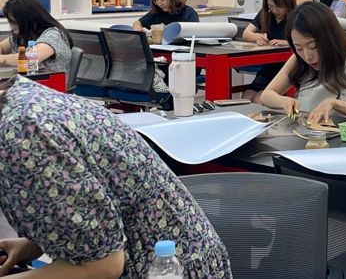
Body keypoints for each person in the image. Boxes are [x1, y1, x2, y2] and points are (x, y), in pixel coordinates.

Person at [0, 75, 232, 278]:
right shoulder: (20, 98)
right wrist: (32, 244)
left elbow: (103, 266)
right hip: (166, 254)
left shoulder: (20, 137)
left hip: (165, 268)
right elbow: (82, 203)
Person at [261, 0, 346, 124]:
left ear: (330, 37)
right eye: (299, 48)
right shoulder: (298, 60)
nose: (307, 56)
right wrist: (284, 101)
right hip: (305, 134)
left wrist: (336, 104)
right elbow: (266, 95)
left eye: (313, 46)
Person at [242, 0, 296, 103]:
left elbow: (307, 41)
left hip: (285, 70)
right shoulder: (266, 14)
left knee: (259, 99)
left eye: (279, 7)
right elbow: (246, 33)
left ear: (287, 2)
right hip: (267, 69)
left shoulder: (296, 16)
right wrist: (257, 37)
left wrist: (286, 43)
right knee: (247, 96)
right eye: (271, 6)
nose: (275, 10)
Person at [0, 0, 72, 73]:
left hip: (50, 80)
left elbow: (30, 59)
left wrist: (2, 59)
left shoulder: (54, 35)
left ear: (29, 19)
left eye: (14, 22)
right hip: (25, 79)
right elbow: (2, 47)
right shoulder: (23, 35)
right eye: (10, 22)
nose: (11, 27)